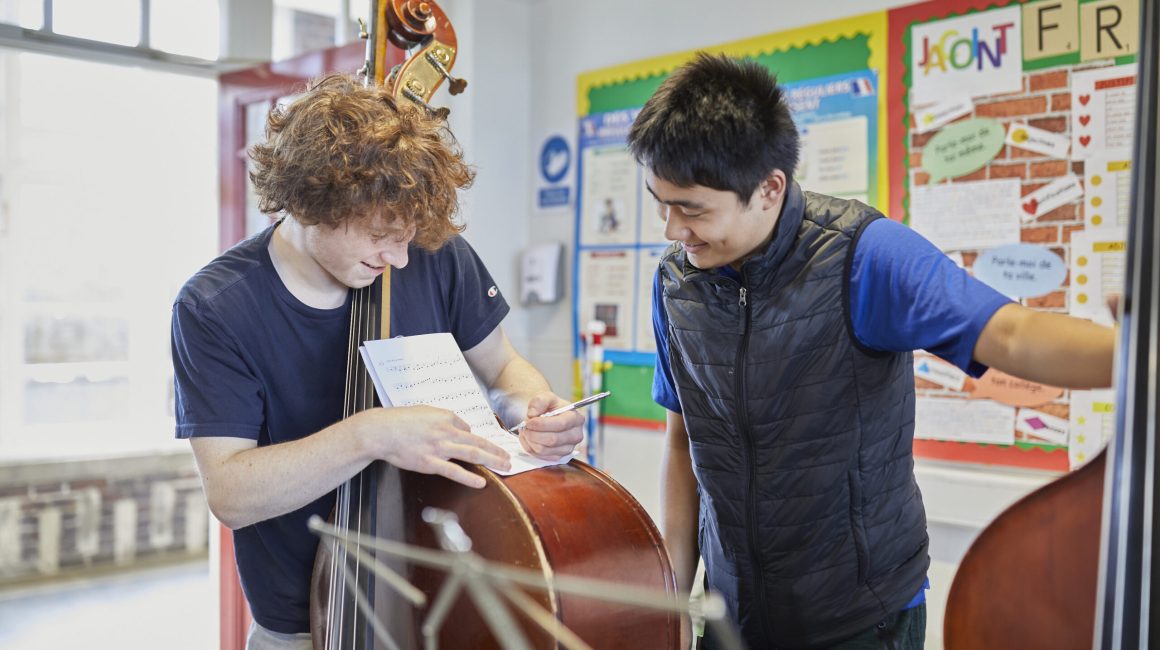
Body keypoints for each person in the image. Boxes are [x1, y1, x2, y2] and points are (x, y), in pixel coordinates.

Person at [627, 53, 1115, 649]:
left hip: (861, 619)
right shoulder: (675, 281)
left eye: (693, 209)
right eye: (660, 202)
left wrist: (1134, 356)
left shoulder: (864, 255)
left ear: (768, 189)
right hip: (734, 619)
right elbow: (684, 441)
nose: (672, 229)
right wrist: (673, 597)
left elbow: (1011, 333)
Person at [171, 73, 583, 649]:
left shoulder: (433, 255)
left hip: (439, 598)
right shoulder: (215, 306)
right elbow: (231, 494)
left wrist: (534, 408)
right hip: (302, 625)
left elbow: (504, 368)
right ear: (309, 202)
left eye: (408, 237)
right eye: (379, 236)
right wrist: (372, 434)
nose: (397, 257)